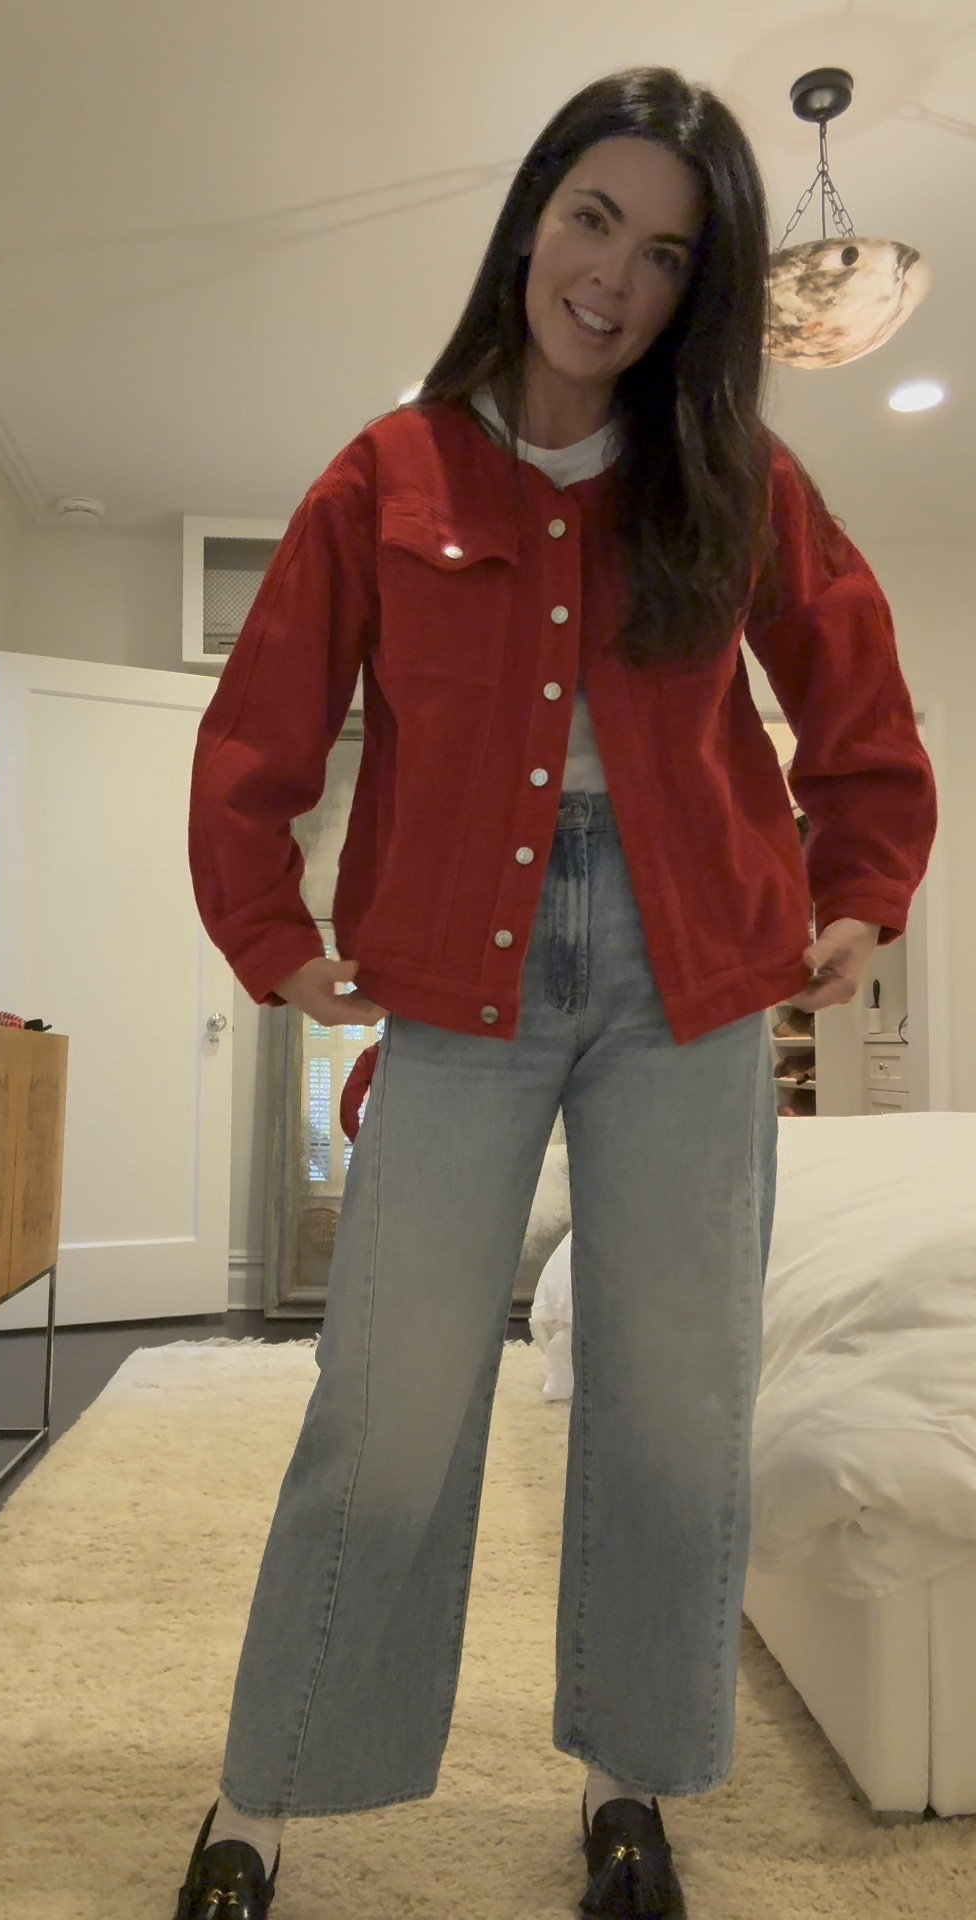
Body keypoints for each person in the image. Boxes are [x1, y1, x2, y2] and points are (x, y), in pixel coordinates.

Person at [181, 65, 936, 1920]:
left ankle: (628, 1794)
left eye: (668, 253)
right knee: (390, 1400)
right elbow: (257, 730)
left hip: (697, 976)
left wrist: (865, 884)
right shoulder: (390, 474)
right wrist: (268, 932)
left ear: (696, 289)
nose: (616, 273)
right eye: (593, 219)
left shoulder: (741, 480)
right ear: (531, 220)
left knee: (677, 1406)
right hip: (459, 976)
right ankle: (259, 1802)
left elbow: (854, 689)